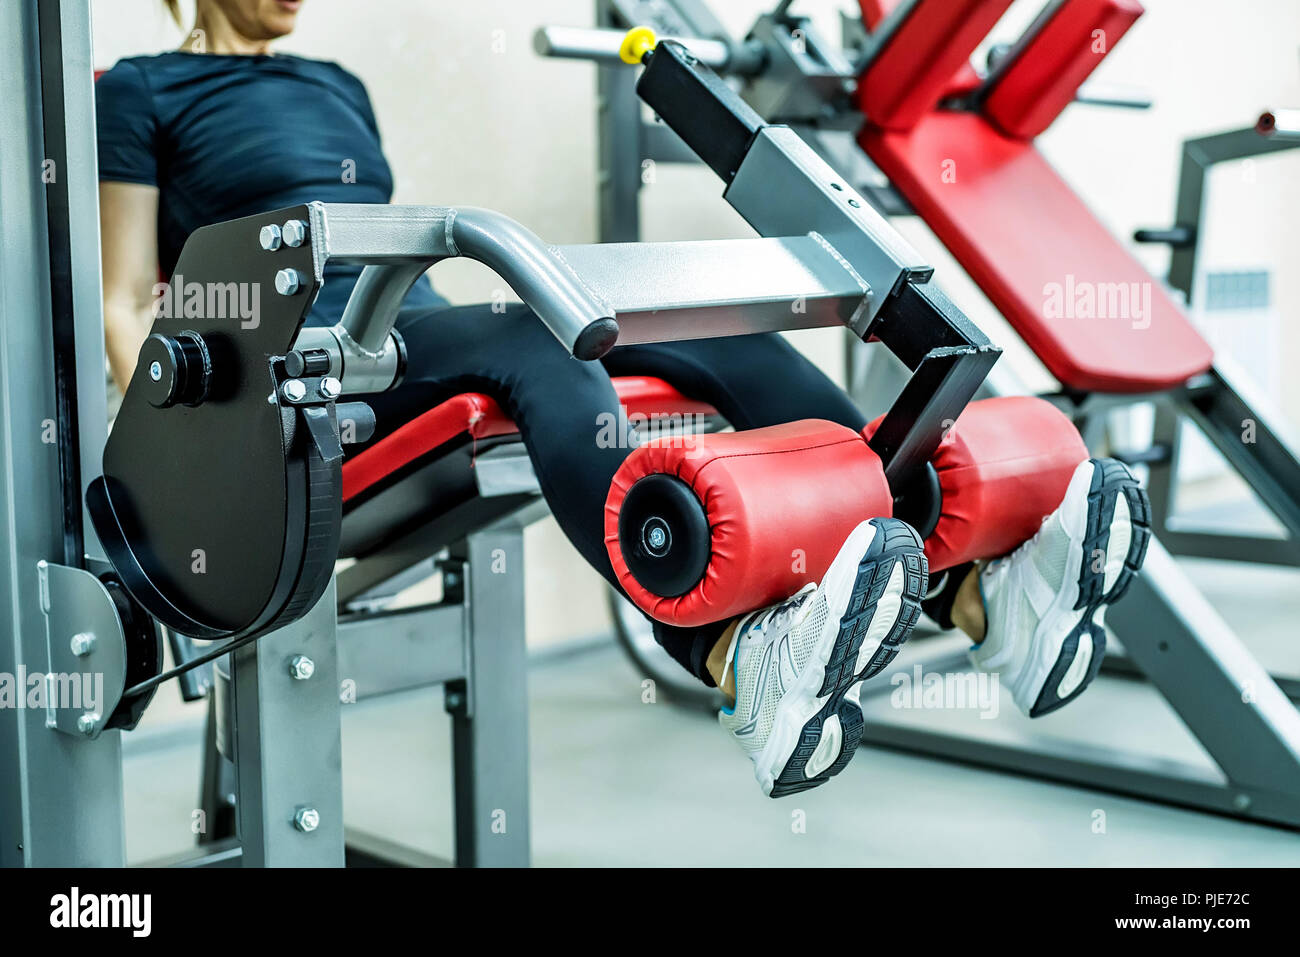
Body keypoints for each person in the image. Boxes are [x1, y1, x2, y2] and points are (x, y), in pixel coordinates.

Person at [96, 0, 1148, 797]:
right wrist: (187, 441)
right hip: (309, 374)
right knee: (527, 338)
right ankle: (727, 654)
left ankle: (963, 588)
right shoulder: (140, 89)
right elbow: (122, 298)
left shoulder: (334, 80)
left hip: (407, 323)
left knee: (717, 330)